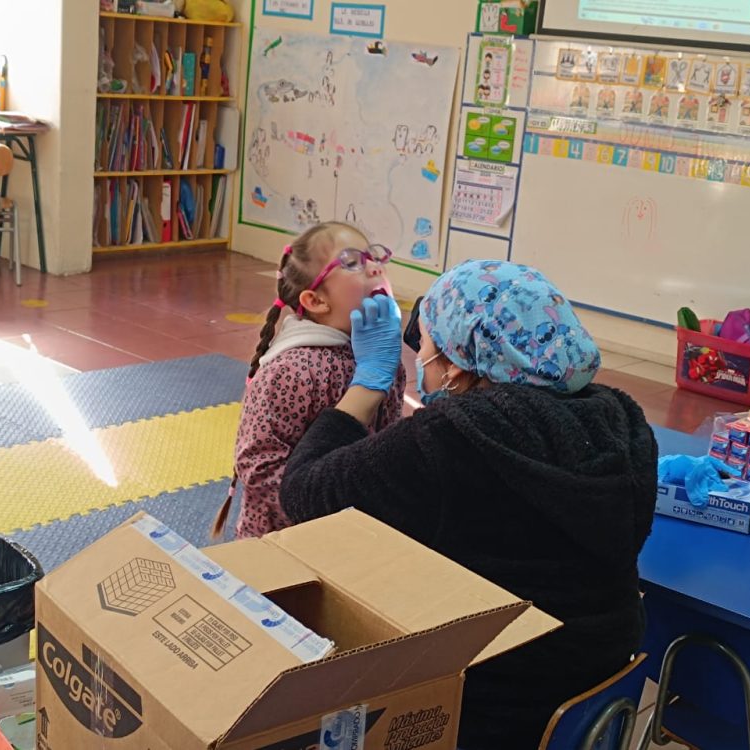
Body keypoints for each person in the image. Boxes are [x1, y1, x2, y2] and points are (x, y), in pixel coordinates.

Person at [280, 260, 659, 749]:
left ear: (458, 365)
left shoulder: (452, 440)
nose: (422, 359)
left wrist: (369, 383)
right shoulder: (622, 420)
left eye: (429, 345)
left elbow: (304, 492)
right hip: (597, 702)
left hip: (490, 713)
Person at [225, 222, 405, 539]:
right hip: (285, 539)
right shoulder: (292, 370)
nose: (375, 268)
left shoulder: (385, 358)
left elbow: (386, 438)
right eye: (353, 262)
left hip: (351, 528)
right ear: (316, 301)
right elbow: (258, 466)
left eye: (373, 256)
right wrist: (324, 511)